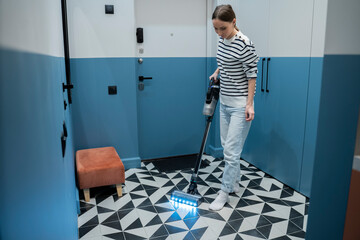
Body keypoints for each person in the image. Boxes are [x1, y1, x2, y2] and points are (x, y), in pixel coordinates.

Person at [208, 4, 259, 211]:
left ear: (234, 22)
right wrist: (217, 71)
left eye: (223, 28)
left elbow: (252, 75)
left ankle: (224, 193)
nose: (220, 33)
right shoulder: (223, 40)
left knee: (230, 152)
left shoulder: (245, 44)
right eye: (216, 29)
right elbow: (226, 59)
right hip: (225, 103)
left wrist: (249, 105)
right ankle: (235, 183)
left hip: (240, 106)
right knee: (228, 147)